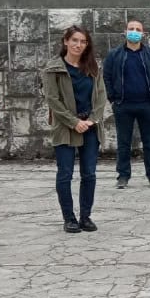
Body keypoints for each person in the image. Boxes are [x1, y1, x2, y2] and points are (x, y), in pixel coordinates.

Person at [42, 25, 107, 233]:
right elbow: (53, 100)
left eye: (83, 41)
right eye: (75, 40)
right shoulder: (53, 68)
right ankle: (69, 218)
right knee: (65, 174)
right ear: (66, 41)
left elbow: (101, 96)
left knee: (89, 174)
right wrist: (73, 122)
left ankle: (85, 217)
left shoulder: (93, 67)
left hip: (90, 126)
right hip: (65, 127)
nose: (78, 45)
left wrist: (92, 120)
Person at [102, 20, 150, 189]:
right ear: (125, 32)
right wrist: (112, 97)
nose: (134, 31)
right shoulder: (114, 55)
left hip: (148, 105)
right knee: (123, 143)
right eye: (131, 29)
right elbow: (107, 76)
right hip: (123, 105)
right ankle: (123, 176)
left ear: (143, 34)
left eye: (138, 29)